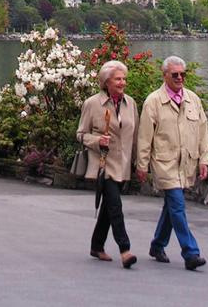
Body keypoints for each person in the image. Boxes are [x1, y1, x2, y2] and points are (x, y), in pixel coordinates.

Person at [136, 55, 208, 271]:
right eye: (175, 74)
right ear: (165, 75)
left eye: (182, 74)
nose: (179, 78)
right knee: (177, 205)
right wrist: (142, 165)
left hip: (186, 162)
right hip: (164, 163)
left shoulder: (193, 100)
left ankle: (157, 245)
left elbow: (203, 132)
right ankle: (191, 253)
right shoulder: (153, 101)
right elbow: (144, 137)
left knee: (172, 206)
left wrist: (204, 159)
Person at [76, 60, 139, 268]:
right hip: (104, 164)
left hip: (123, 164)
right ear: (106, 82)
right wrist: (97, 141)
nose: (122, 83)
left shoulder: (131, 104)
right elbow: (81, 135)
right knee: (115, 205)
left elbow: (136, 136)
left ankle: (96, 245)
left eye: (124, 79)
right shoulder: (92, 104)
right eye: (118, 79)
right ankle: (125, 249)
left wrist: (140, 163)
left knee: (108, 208)